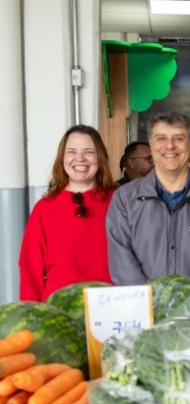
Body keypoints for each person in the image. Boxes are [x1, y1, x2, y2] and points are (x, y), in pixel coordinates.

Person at [106, 111, 190, 290]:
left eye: (179, 138)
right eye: (161, 138)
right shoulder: (124, 199)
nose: (170, 146)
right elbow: (123, 264)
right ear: (151, 146)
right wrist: (151, 304)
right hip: (144, 312)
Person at [19, 125, 116, 301]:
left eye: (89, 152)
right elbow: (30, 267)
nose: (80, 158)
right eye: (71, 151)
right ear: (62, 158)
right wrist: (31, 313)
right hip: (58, 306)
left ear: (100, 158)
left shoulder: (120, 201)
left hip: (111, 302)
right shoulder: (44, 208)